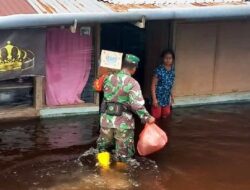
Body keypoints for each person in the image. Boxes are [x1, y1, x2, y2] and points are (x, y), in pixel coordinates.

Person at [97, 54, 155, 163]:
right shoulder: (132, 83)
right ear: (134, 68)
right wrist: (147, 117)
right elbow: (136, 105)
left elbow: (98, 89)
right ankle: (120, 178)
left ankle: (103, 172)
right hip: (123, 124)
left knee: (103, 149)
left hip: (106, 121)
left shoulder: (107, 77)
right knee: (123, 155)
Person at [151, 49, 175, 119]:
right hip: (158, 96)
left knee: (166, 114)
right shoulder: (159, 70)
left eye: (170, 58)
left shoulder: (172, 71)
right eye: (166, 58)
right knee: (156, 117)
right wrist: (154, 99)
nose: (168, 60)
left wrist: (171, 96)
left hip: (166, 97)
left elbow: (170, 84)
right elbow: (153, 85)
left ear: (172, 59)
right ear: (163, 58)